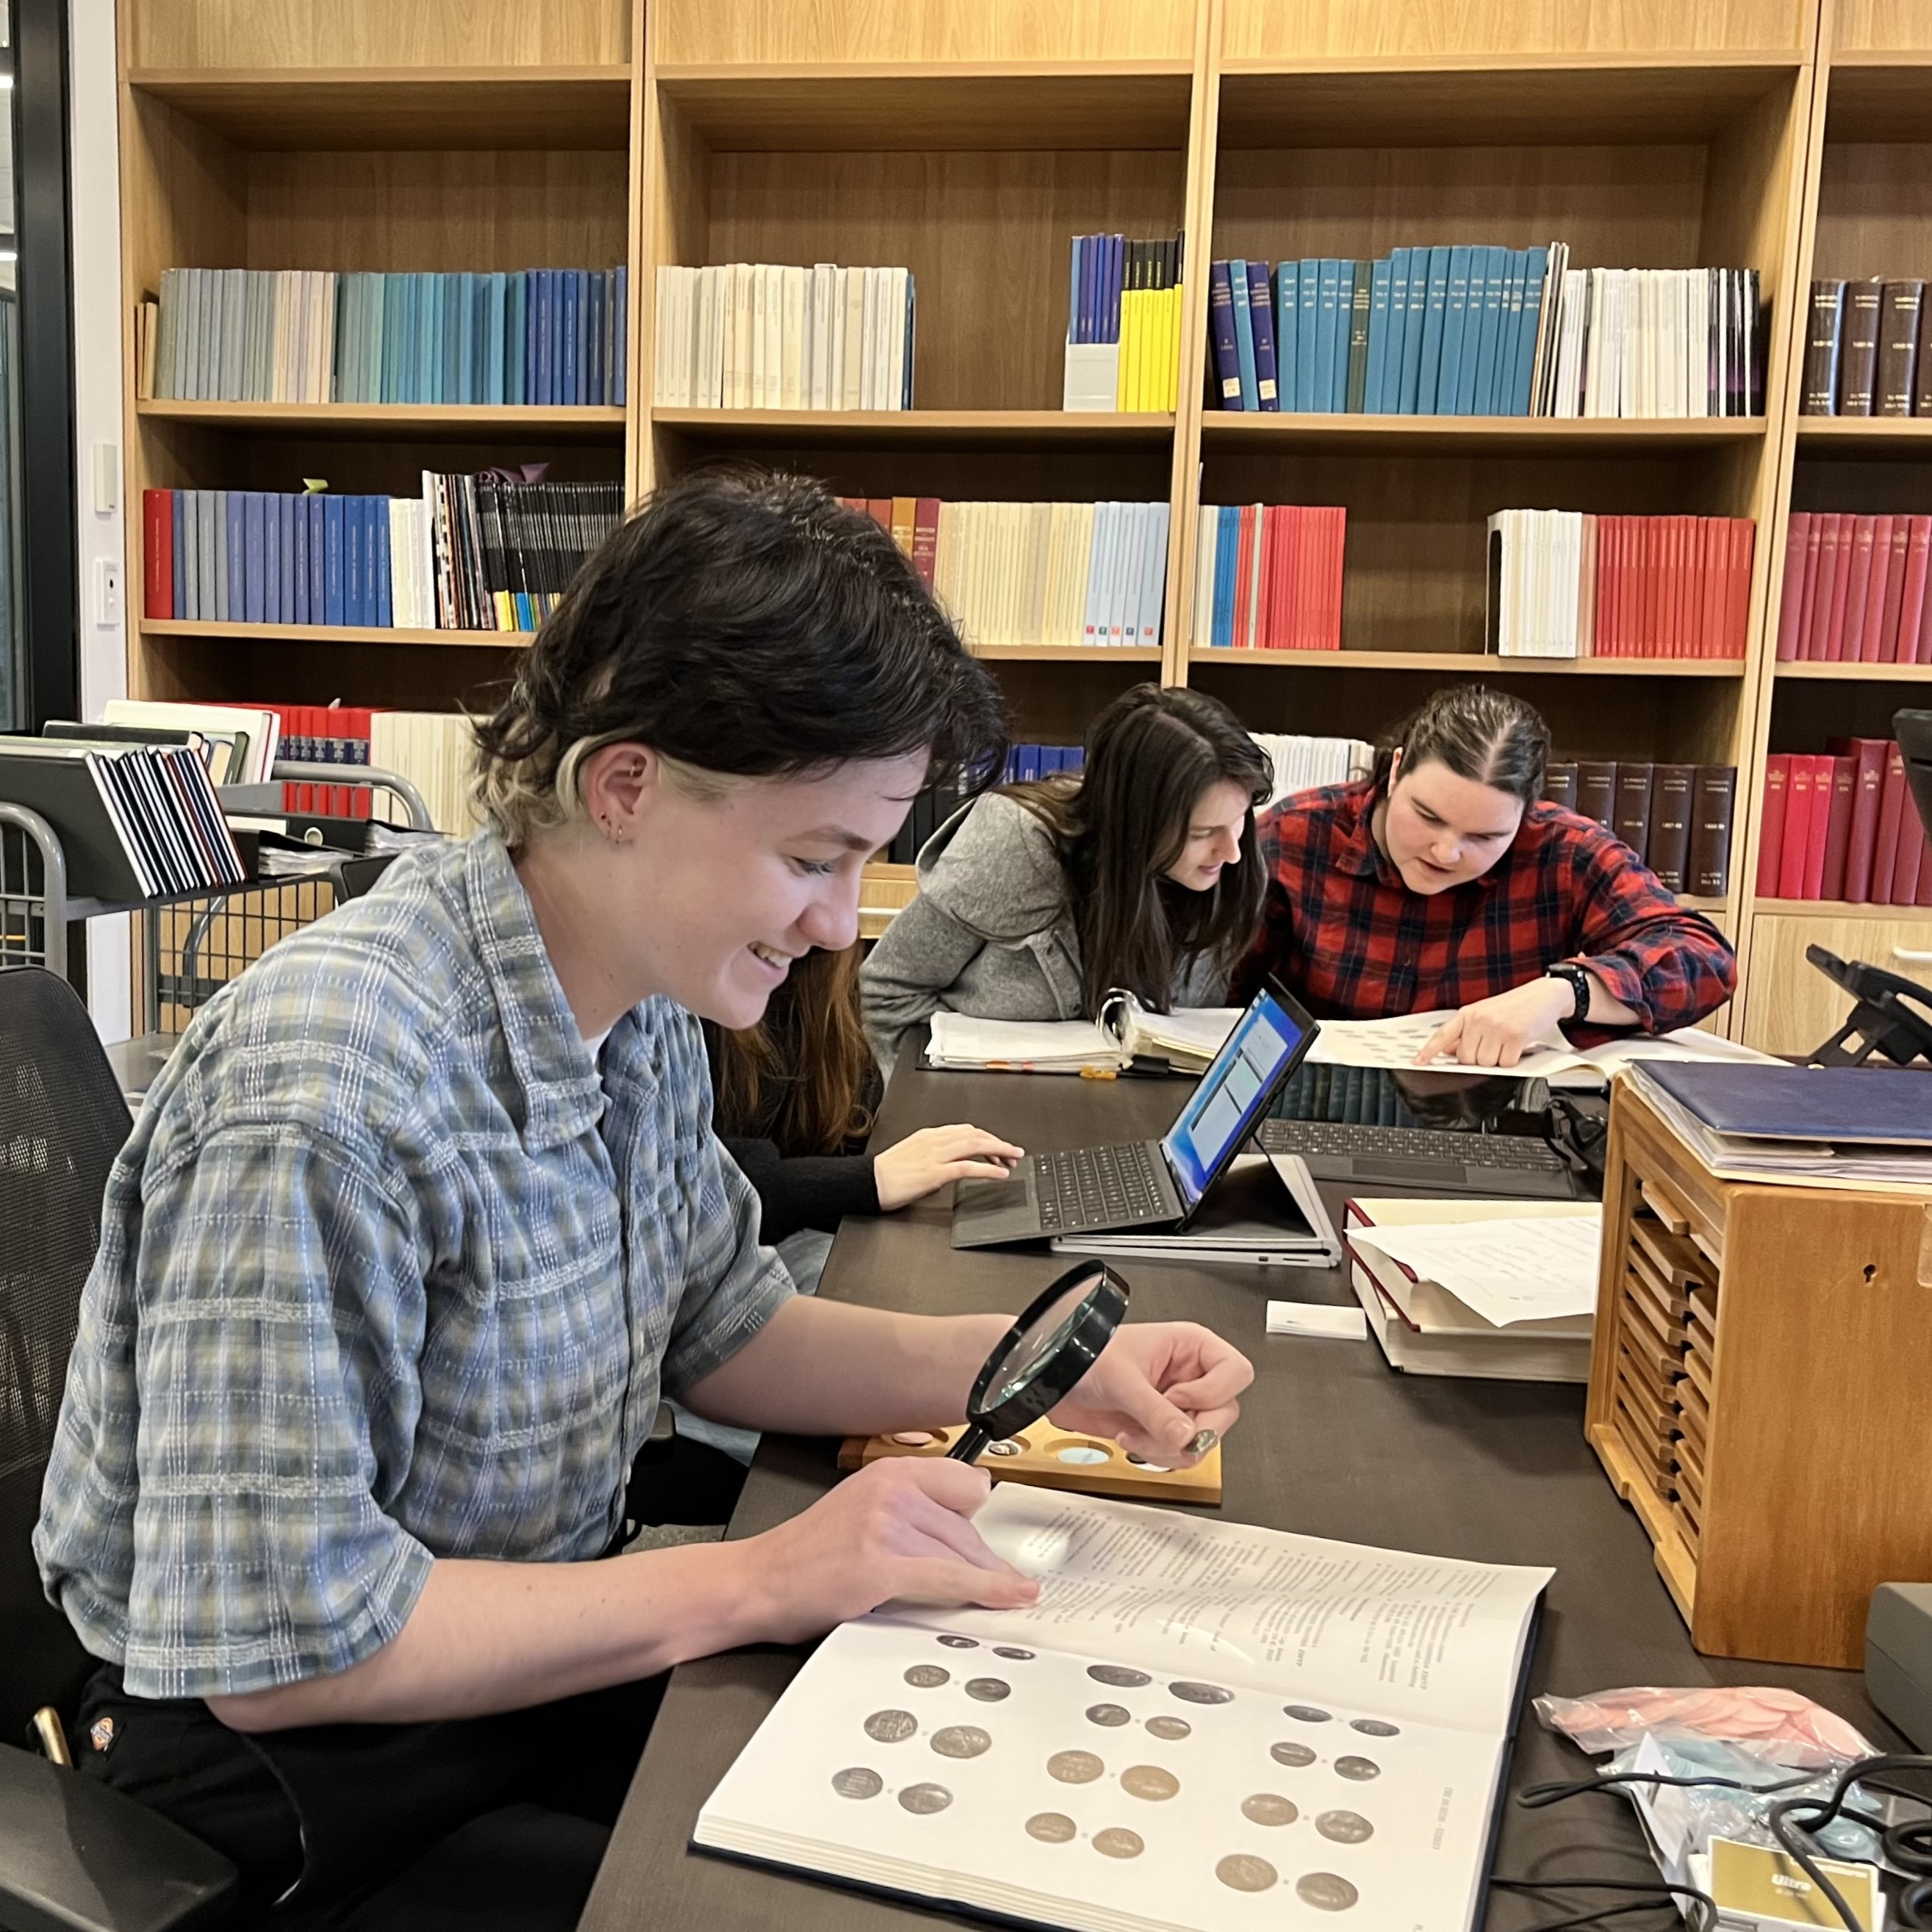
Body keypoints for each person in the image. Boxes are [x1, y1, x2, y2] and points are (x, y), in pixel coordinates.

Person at [35, 470, 1252, 1931]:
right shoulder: (332, 1089)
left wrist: (1036, 1358)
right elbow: (285, 1649)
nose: (833, 924)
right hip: (289, 1785)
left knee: (983, 1808)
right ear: (626, 785)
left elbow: (724, 1328)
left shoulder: (638, 1004)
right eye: (814, 859)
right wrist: (759, 1579)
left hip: (518, 1664)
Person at [1231, 683, 1737, 1066]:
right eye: (1427, 816)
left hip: (1493, 1129)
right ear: (1395, 769)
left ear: (1524, 814)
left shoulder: (1563, 853)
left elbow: (1705, 959)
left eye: (1484, 837)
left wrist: (1565, 992)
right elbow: (1211, 998)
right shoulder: (1295, 835)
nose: (1446, 851)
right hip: (1312, 1111)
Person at [860, 684, 1272, 1071]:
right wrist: (925, 1117)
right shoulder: (1015, 844)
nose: (1231, 852)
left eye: (1238, 821)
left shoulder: (1230, 871)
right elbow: (888, 993)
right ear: (1135, 824)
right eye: (1200, 834)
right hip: (981, 1108)